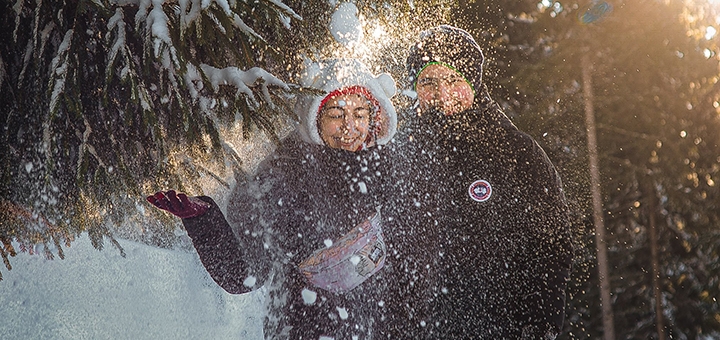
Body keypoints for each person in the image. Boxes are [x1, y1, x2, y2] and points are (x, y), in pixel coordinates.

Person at [147, 59, 400, 339]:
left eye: (360, 114)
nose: (349, 126)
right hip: (306, 324)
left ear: (373, 119)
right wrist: (204, 220)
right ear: (316, 118)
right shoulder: (285, 173)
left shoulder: (387, 167)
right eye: (336, 114)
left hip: (379, 325)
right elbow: (243, 273)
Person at [394, 25, 574, 339]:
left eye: (453, 79)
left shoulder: (517, 152)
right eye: (428, 82)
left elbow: (550, 245)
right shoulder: (397, 153)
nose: (442, 94)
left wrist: (539, 325)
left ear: (474, 84)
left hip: (498, 329)